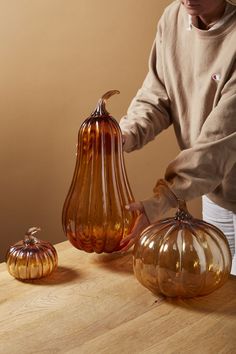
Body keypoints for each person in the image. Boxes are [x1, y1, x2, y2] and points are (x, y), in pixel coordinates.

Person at [119, 0, 236, 275]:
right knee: (222, 293)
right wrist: (124, 135)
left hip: (220, 177)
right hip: (214, 193)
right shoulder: (172, 18)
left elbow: (218, 143)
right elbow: (157, 96)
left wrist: (162, 201)